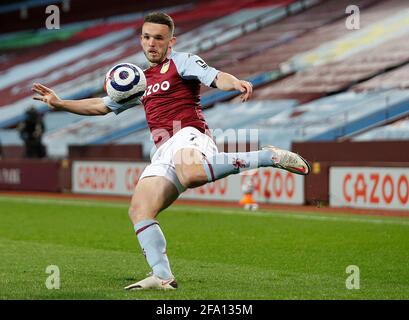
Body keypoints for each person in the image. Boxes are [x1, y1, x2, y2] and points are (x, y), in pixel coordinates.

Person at [32, 12, 311, 290]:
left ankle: (266, 156)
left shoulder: (182, 62)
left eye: (158, 38)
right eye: (146, 37)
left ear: (171, 41)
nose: (151, 43)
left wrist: (234, 82)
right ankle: (163, 277)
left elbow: (214, 76)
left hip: (189, 133)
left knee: (190, 175)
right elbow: (102, 106)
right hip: (163, 149)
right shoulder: (138, 81)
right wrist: (60, 102)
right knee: (140, 210)